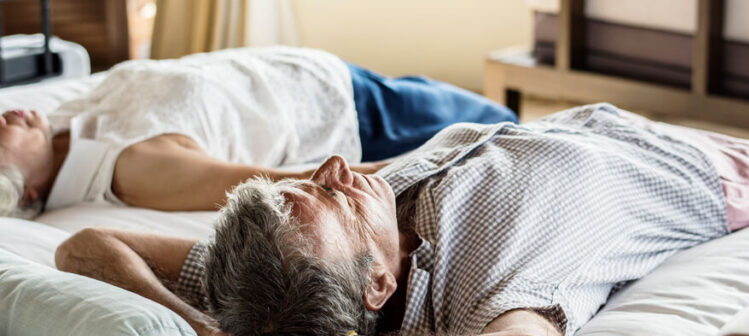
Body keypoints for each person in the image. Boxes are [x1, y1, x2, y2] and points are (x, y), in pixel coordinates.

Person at [55, 104, 749, 336]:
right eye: (337, 199)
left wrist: (200, 326)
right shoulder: (499, 247)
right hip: (701, 174)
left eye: (307, 187)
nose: (333, 171)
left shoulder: (265, 272)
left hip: (582, 132)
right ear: (379, 284)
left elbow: (88, 243)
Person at [0, 46, 516, 217]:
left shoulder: (65, 122)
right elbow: (275, 181)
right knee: (504, 122)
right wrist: (423, 166)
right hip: (355, 116)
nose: (3, 119)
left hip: (325, 77)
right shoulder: (130, 170)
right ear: (30, 191)